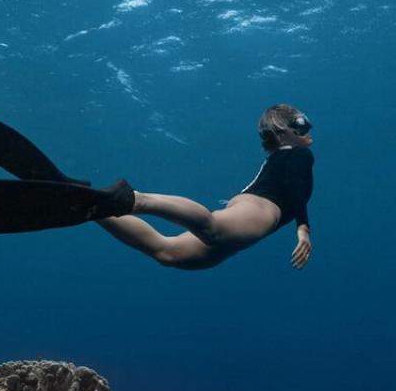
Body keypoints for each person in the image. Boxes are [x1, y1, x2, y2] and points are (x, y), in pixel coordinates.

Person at [94, 104, 314, 271]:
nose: (308, 129)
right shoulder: (300, 153)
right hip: (261, 210)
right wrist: (303, 228)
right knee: (212, 228)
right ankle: (136, 200)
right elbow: (296, 186)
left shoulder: (280, 156)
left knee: (166, 252)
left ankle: (93, 208)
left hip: (248, 210)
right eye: (301, 124)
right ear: (282, 133)